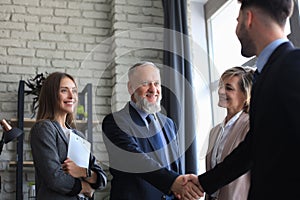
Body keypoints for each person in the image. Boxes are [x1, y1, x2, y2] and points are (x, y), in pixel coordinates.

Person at [184, 0, 300, 199]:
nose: (236, 29)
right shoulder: (265, 75)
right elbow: (252, 148)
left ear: (248, 19)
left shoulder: (293, 65)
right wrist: (204, 183)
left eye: (237, 21)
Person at [102, 62, 203, 200]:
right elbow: (136, 160)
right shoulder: (115, 122)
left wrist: (183, 188)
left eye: (156, 83)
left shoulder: (168, 124)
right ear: (131, 88)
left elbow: (175, 165)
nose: (153, 89)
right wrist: (173, 182)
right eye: (145, 83)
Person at [30, 72, 107, 200]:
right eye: (64, 91)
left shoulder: (78, 135)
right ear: (51, 95)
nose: (72, 96)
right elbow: (55, 178)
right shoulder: (44, 128)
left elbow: (102, 179)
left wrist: (83, 172)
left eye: (74, 91)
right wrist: (85, 187)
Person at [205, 66, 253, 200]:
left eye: (229, 88)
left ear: (245, 95)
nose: (221, 91)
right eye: (221, 86)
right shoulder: (214, 132)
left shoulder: (251, 126)